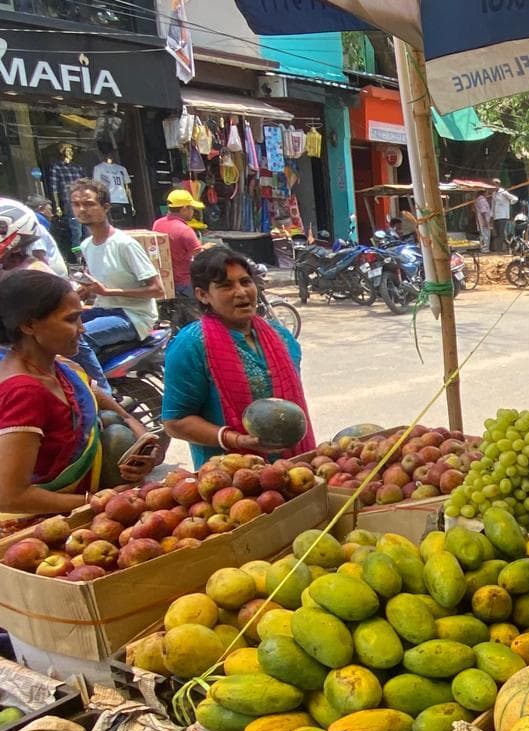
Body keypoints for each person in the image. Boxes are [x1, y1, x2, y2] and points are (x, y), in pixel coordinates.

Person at [0, 271, 155, 525]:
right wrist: (94, 501)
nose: (82, 328)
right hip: (46, 526)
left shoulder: (61, 368)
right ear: (29, 325)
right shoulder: (23, 393)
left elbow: (103, 401)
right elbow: (10, 496)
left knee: (114, 425)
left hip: (88, 515)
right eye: (71, 319)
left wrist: (141, 436)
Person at [162, 247, 314, 467]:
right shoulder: (192, 344)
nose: (241, 292)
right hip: (231, 474)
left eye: (245, 282)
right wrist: (236, 440)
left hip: (294, 469)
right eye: (226, 286)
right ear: (203, 295)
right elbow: (175, 422)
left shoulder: (281, 337)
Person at [69, 179, 163, 391]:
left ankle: (103, 396)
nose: (82, 209)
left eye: (89, 204)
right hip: (105, 310)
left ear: (105, 207)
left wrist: (107, 292)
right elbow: (98, 286)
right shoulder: (86, 245)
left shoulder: (124, 244)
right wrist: (85, 292)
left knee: (77, 338)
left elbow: (157, 290)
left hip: (133, 316)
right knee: (55, 330)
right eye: (76, 204)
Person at [151, 188, 203, 298]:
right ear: (184, 209)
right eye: (191, 208)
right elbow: (200, 256)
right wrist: (206, 248)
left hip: (166, 281)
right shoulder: (185, 230)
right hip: (185, 283)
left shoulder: (157, 224)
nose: (193, 211)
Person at [491, 180, 517, 252]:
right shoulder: (494, 194)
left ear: (498, 185)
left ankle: (500, 249)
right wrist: (491, 216)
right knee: (498, 233)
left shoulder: (503, 192)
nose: (493, 186)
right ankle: (505, 247)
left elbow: (515, 199)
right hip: (496, 216)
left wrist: (509, 203)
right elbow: (493, 205)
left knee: (502, 233)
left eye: (494, 185)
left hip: (503, 216)